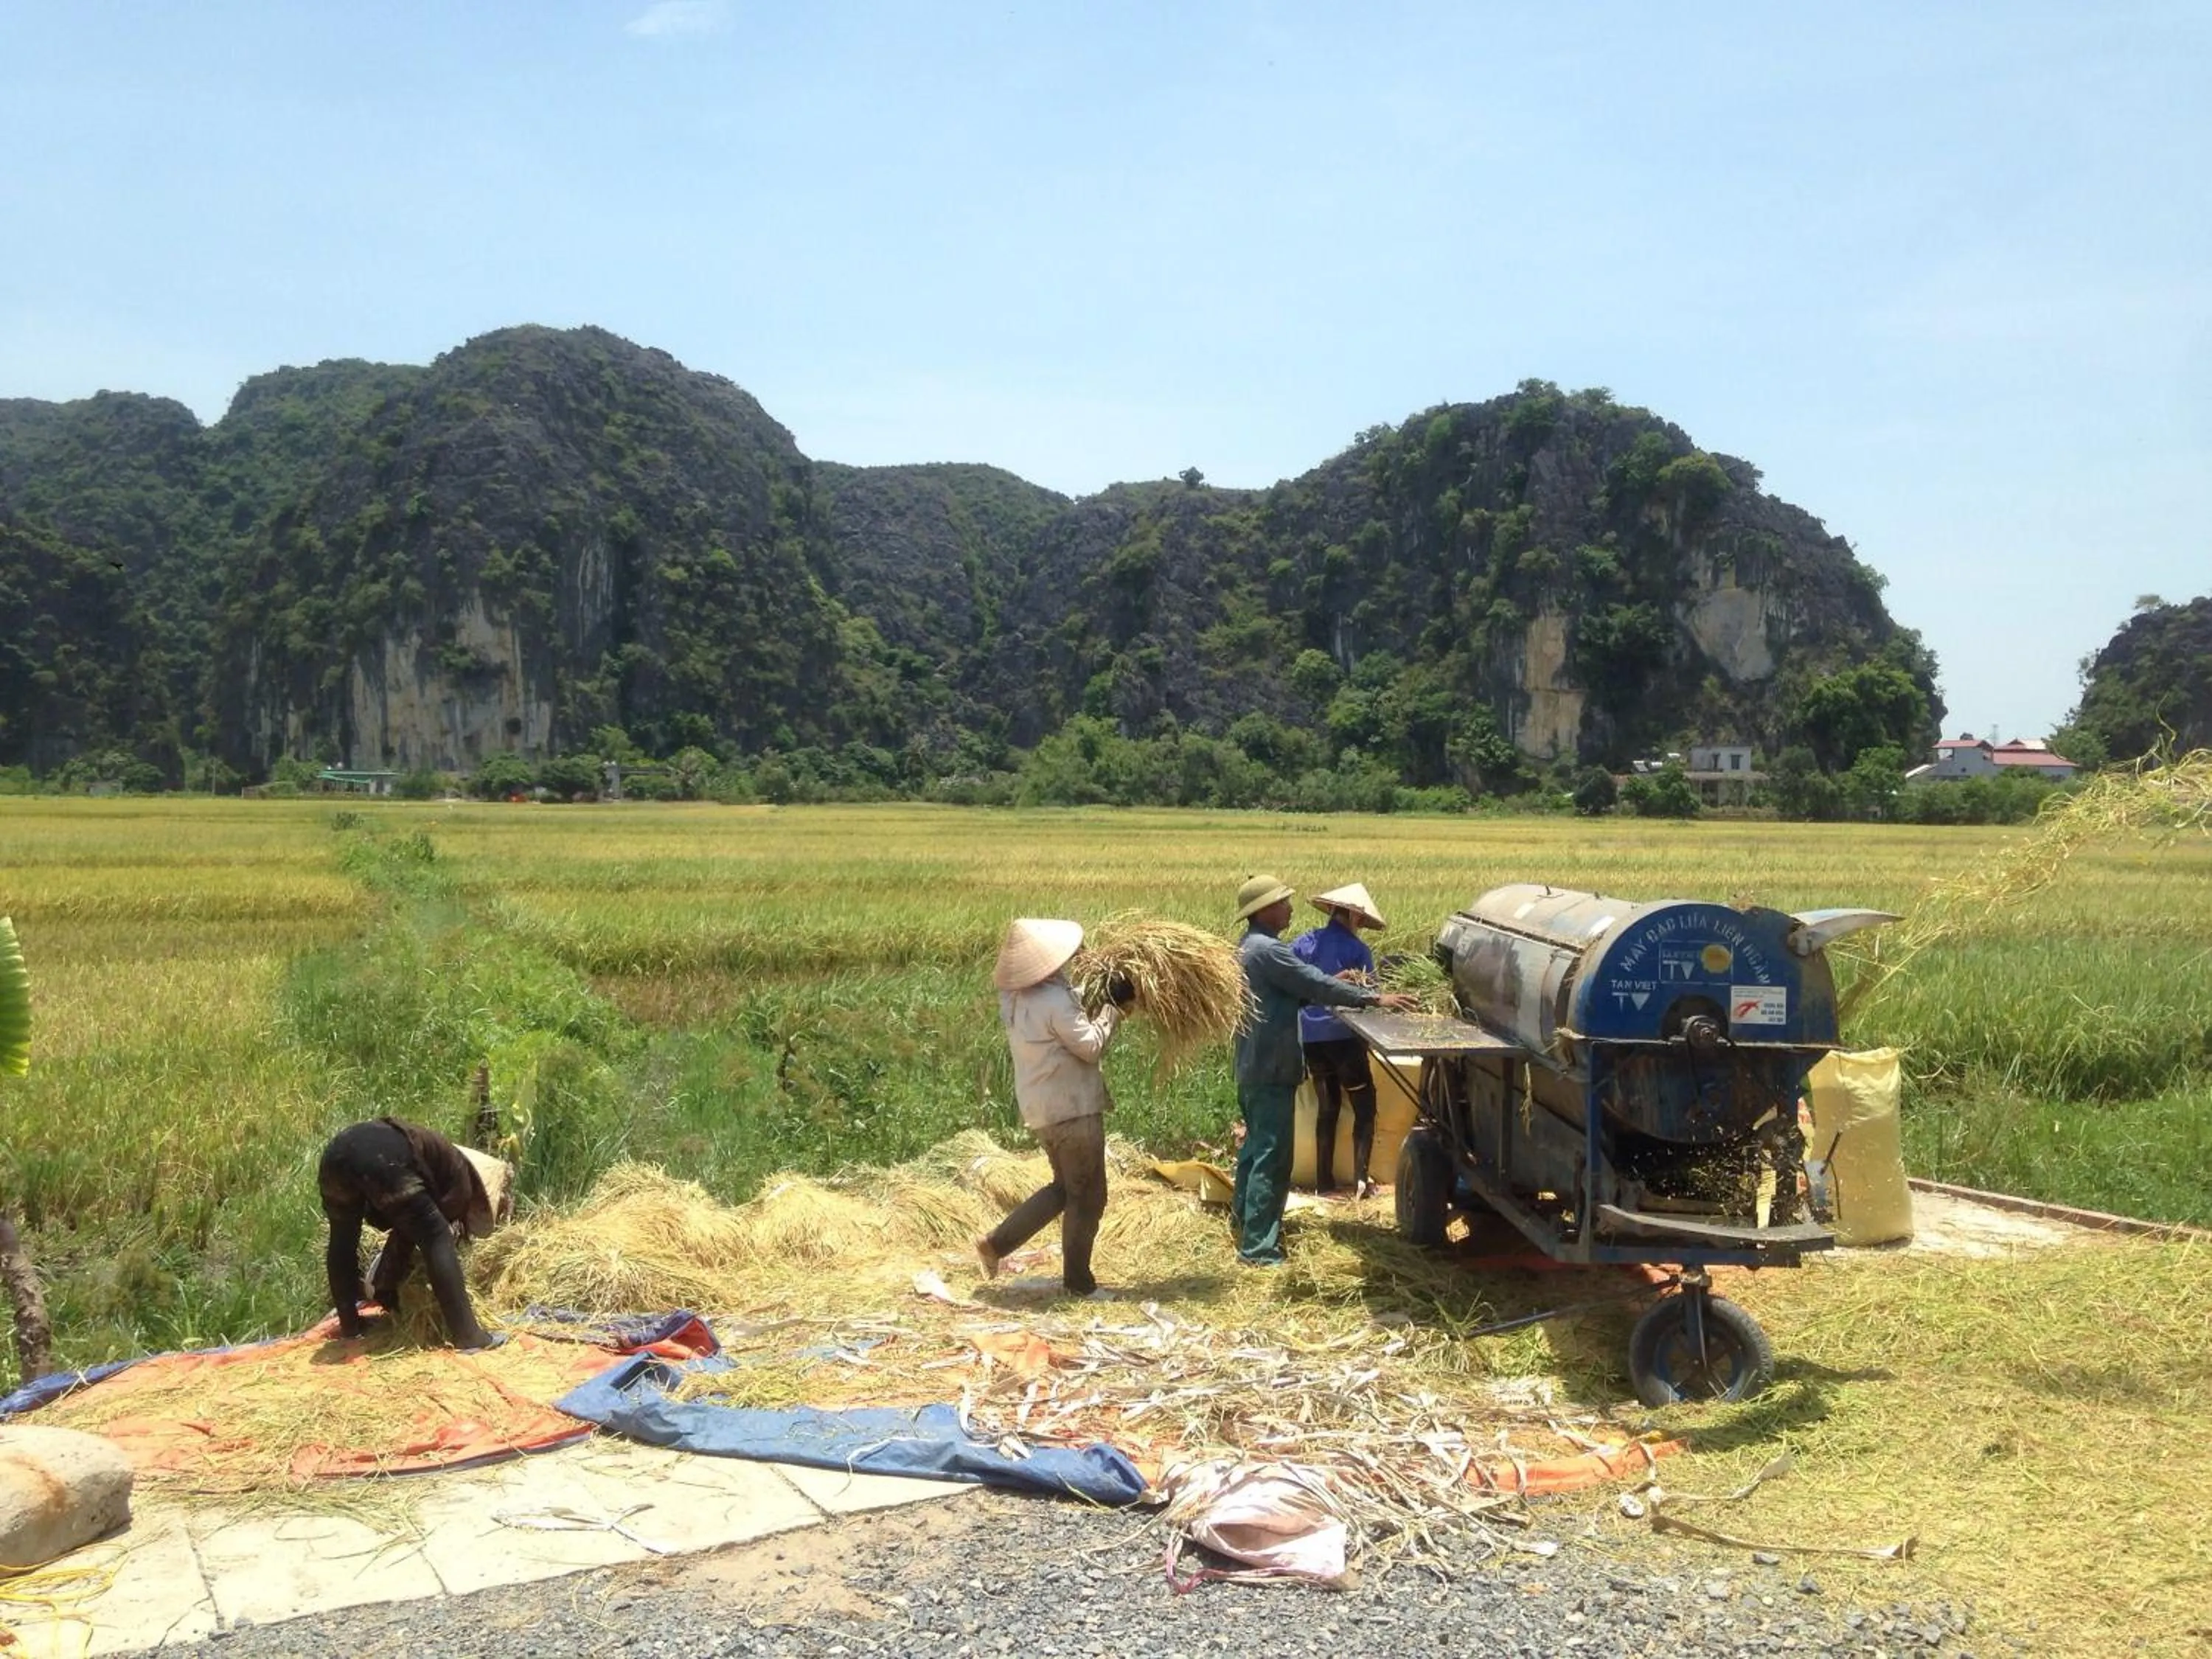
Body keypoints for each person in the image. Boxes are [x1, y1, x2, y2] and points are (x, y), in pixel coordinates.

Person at [1231, 875, 1416, 1267]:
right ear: (1265, 910)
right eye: (1284, 903)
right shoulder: (1269, 951)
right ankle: (1259, 1249)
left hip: (1252, 1063)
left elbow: (1296, 993)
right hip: (1272, 1065)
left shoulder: (1248, 947)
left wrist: (1332, 984)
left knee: (1255, 1148)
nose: (1290, 909)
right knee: (1272, 1157)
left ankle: (1244, 1223)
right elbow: (1312, 984)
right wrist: (1373, 997)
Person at [976, 918, 1133, 1298]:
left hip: (1043, 1110)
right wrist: (1112, 1010)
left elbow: (1063, 1007)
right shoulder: (1054, 1001)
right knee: (1088, 1196)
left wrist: (1092, 995)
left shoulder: (1015, 999)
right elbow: (1090, 1046)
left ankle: (996, 1244)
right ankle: (1079, 1283)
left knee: (1065, 1188)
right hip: (1072, 1110)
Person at [319, 1116, 513, 1350]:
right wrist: (387, 1280)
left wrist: (385, 1282)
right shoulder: (460, 1174)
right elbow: (424, 1234)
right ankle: (469, 1336)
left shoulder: (438, 1156)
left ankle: (350, 1326)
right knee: (436, 1236)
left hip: (335, 1156)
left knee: (343, 1239)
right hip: (383, 1158)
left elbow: (405, 1226)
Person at [1293, 883, 1389, 1199]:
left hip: (1310, 1038)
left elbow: (1292, 982)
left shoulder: (1304, 942)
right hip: (1343, 1038)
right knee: (1365, 1105)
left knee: (1328, 1107)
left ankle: (1324, 1183)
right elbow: (1370, 996)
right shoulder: (1358, 951)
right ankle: (1361, 1181)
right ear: (1354, 917)